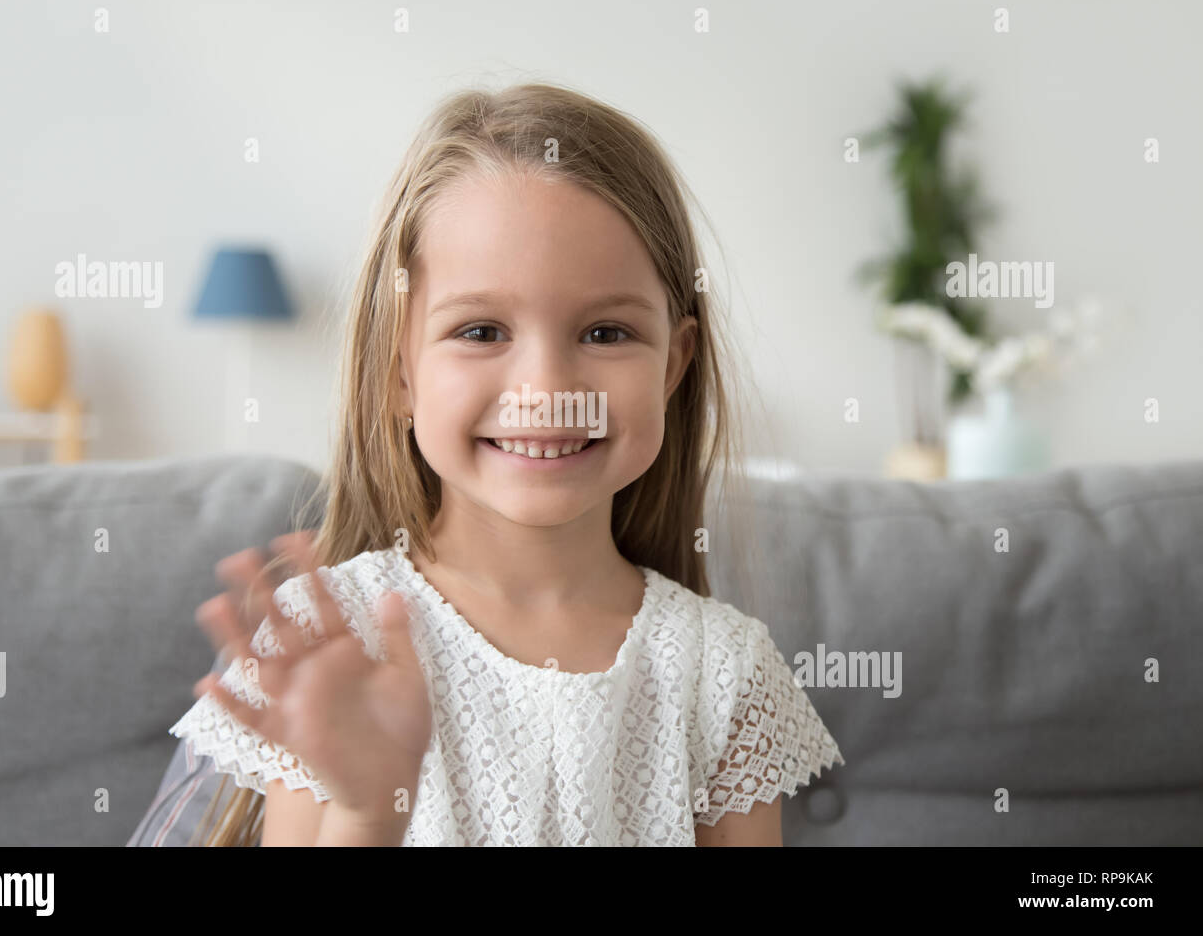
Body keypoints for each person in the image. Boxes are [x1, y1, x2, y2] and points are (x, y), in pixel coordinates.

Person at [159, 81, 844, 846]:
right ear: (398, 371)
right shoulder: (332, 644)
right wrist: (365, 810)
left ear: (674, 365)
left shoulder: (727, 673)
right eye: (482, 331)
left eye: (607, 333)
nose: (546, 391)